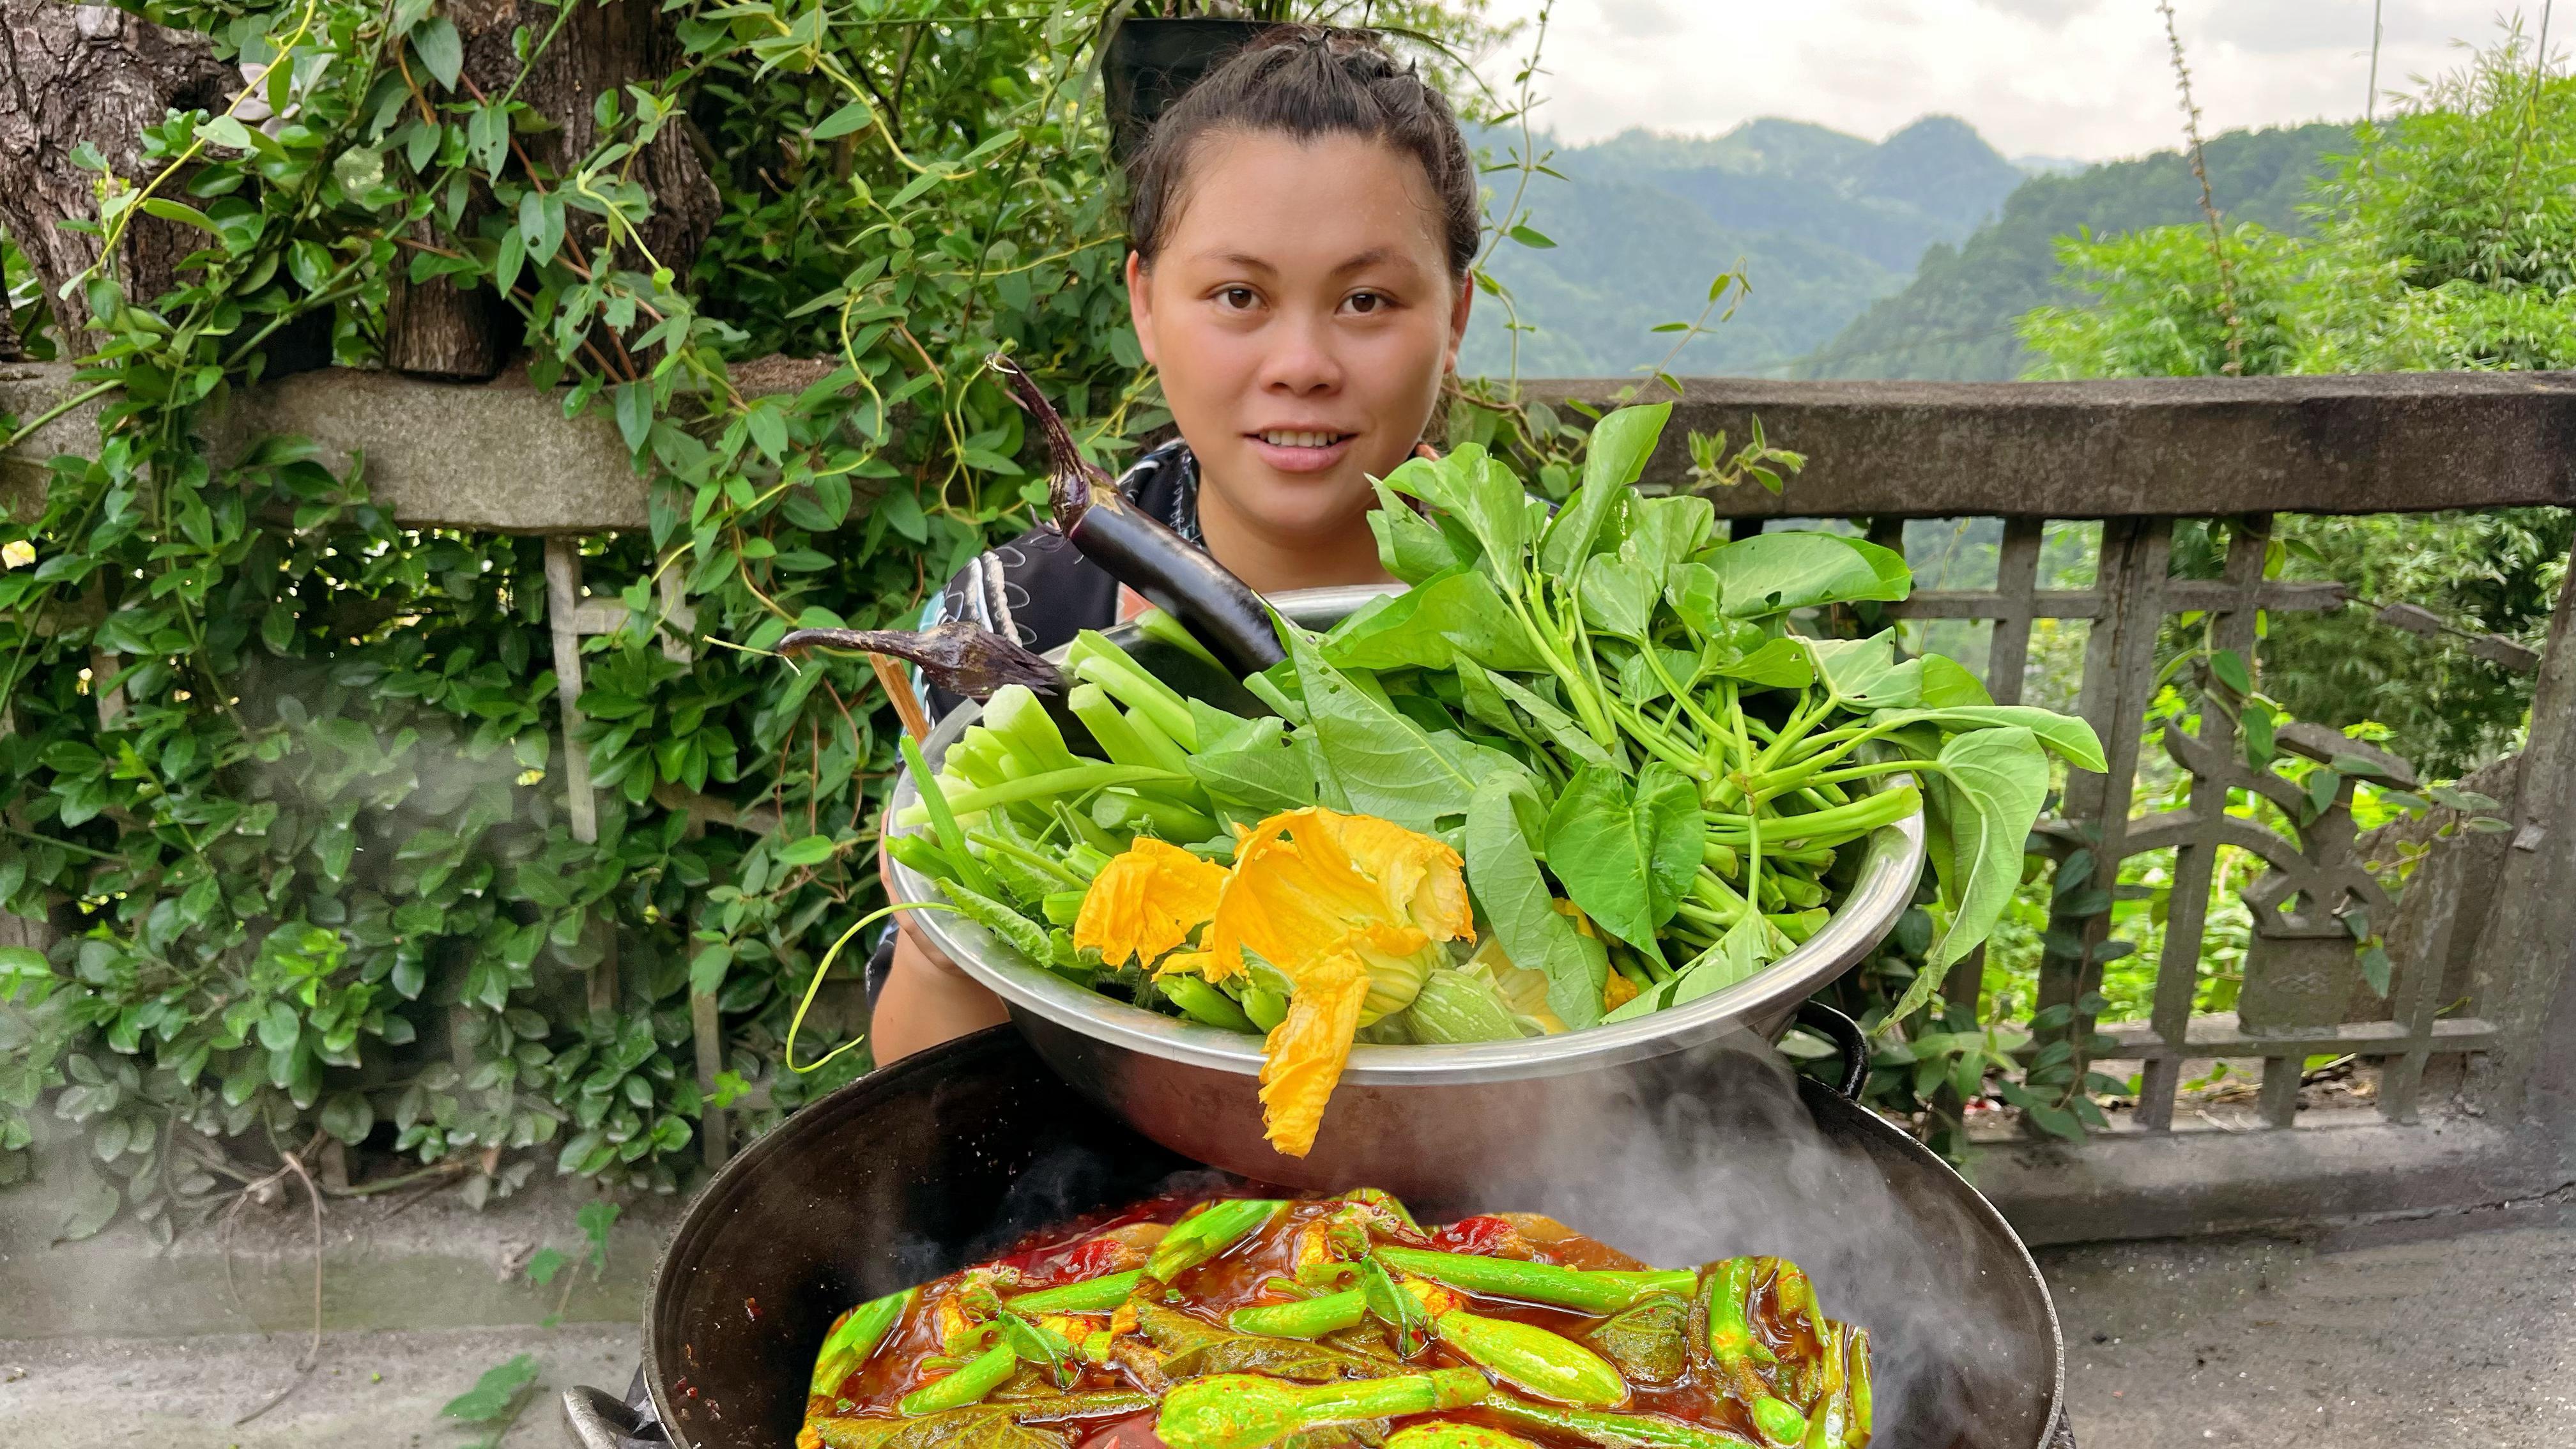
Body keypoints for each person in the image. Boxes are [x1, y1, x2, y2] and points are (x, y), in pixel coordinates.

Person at [867, 26, 1482, 1065]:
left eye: (1366, 301)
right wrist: (944, 936)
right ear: (1147, 304)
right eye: (1238, 296)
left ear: (1454, 314)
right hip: (1124, 1222)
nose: (1301, 363)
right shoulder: (1015, 624)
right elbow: (929, 1085)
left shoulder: (1561, 625)